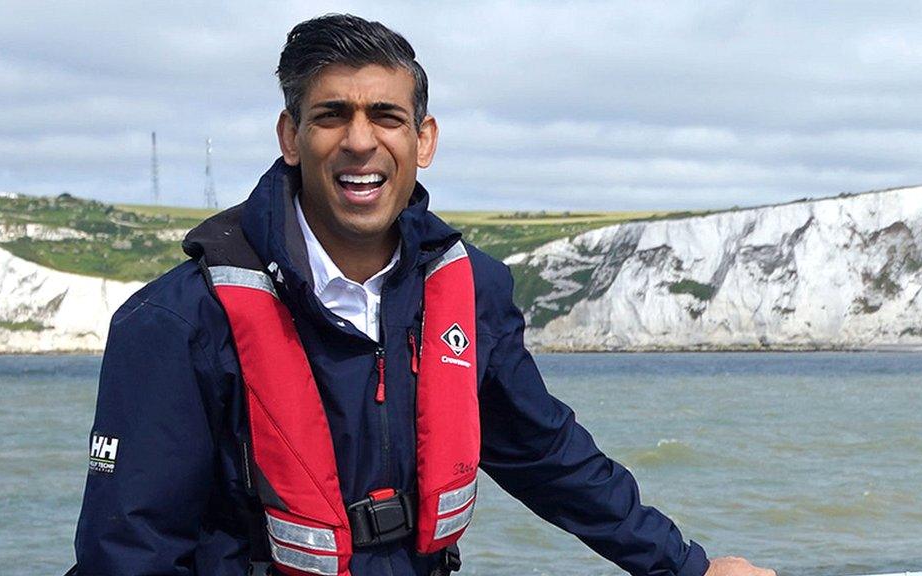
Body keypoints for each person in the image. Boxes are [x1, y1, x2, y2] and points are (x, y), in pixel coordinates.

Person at [73, 13, 776, 576]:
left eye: (385, 115)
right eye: (329, 116)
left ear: (423, 138)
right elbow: (129, 548)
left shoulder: (472, 291)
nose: (359, 141)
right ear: (290, 137)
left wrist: (687, 567)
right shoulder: (177, 321)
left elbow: (547, 456)